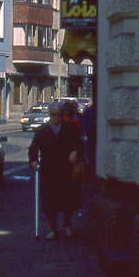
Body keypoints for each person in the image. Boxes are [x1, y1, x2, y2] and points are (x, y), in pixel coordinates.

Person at [29, 102, 85, 240]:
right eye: (53, 115)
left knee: (68, 200)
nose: (56, 118)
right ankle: (53, 229)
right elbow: (33, 148)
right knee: (50, 202)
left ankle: (67, 225)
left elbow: (80, 143)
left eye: (59, 115)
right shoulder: (42, 130)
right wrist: (34, 161)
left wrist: (75, 151)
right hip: (49, 171)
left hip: (66, 169)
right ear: (49, 115)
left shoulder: (70, 128)